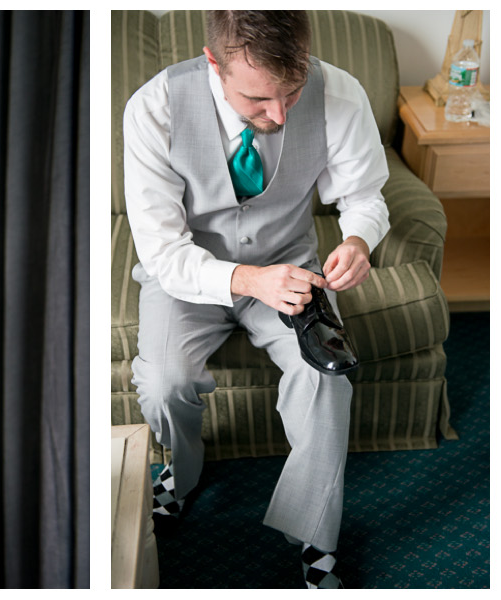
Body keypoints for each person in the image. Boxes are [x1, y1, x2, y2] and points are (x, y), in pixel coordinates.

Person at [122, 10, 388, 589]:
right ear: (215, 64)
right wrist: (246, 279)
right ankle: (182, 473)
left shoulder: (341, 92)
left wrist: (358, 240)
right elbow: (163, 250)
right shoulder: (152, 107)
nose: (279, 114)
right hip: (188, 271)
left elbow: (364, 196)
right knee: (165, 379)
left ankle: (314, 538)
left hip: (292, 267)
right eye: (258, 100)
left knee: (325, 377)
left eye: (292, 92)